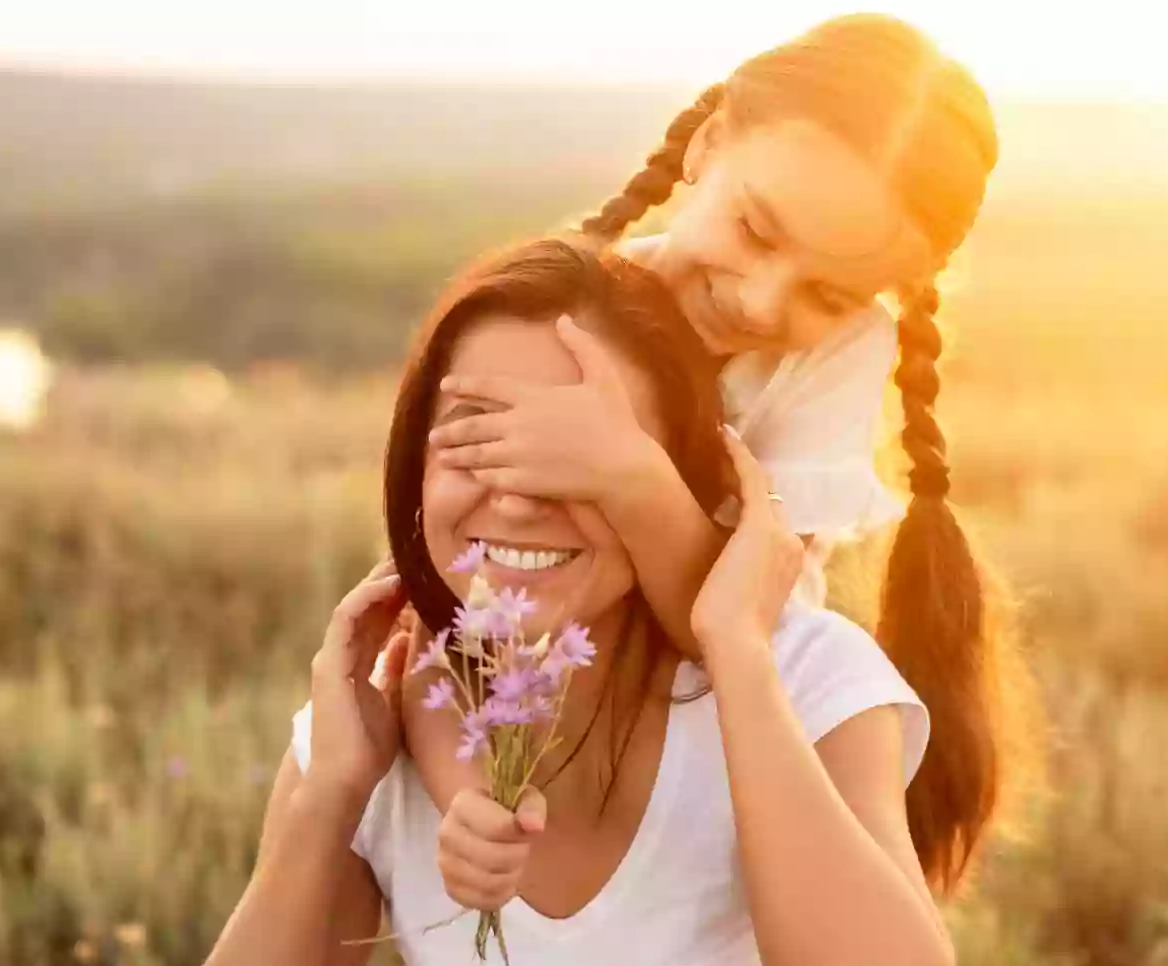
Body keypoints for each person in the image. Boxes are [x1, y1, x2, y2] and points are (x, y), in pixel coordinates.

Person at [148, 237, 1026, 966]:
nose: (518, 496)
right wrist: (331, 799)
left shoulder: (804, 681)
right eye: (478, 436)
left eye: (582, 456)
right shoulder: (373, 723)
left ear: (671, 483)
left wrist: (734, 652)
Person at [415, 12, 1000, 842]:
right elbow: (452, 563)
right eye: (756, 230)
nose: (762, 304)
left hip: (718, 747)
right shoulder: (559, 315)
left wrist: (628, 475)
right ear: (707, 145)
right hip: (528, 722)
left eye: (828, 294)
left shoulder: (836, 355)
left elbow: (740, 632)